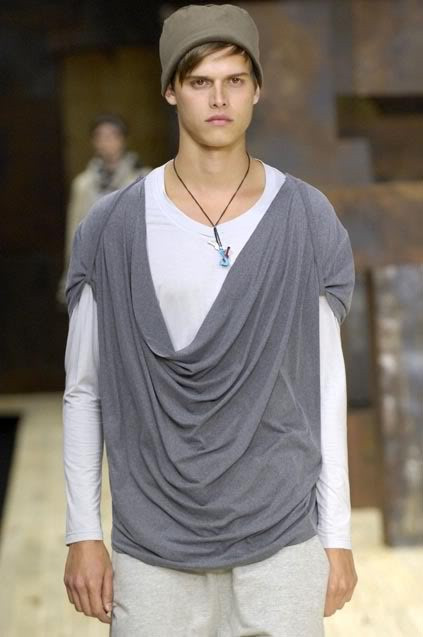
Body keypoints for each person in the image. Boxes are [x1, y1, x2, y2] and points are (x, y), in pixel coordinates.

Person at [62, 4, 358, 636]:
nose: (219, 99)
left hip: (282, 541)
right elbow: (85, 389)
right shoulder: (112, 228)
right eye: (200, 81)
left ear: (257, 89)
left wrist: (337, 534)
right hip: (153, 546)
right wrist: (82, 532)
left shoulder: (306, 219)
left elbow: (325, 387)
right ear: (171, 90)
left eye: (234, 80)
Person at [56, 113, 150, 306]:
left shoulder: (143, 179)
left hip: (133, 265)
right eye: (100, 136)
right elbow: (75, 231)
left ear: (123, 139)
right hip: (96, 269)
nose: (107, 142)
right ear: (93, 142)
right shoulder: (83, 184)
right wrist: (71, 277)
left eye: (112, 135)